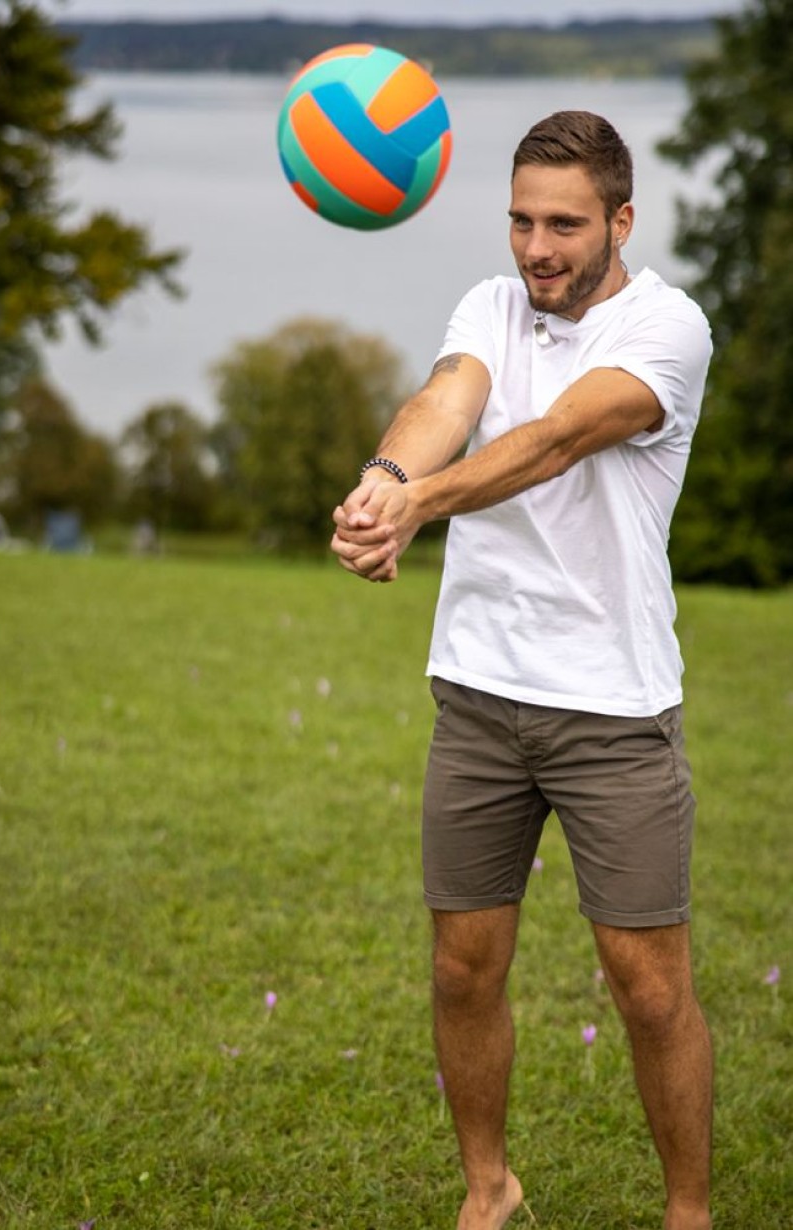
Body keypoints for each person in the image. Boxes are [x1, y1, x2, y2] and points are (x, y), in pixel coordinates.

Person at [331, 111, 714, 1230]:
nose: (536, 248)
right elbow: (449, 399)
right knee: (462, 968)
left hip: (613, 709)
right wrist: (385, 474)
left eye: (563, 224)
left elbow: (554, 437)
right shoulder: (490, 308)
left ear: (619, 222)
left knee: (649, 990)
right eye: (520, 220)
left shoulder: (668, 330)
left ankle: (689, 1213)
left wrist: (421, 503)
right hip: (480, 698)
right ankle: (488, 1188)